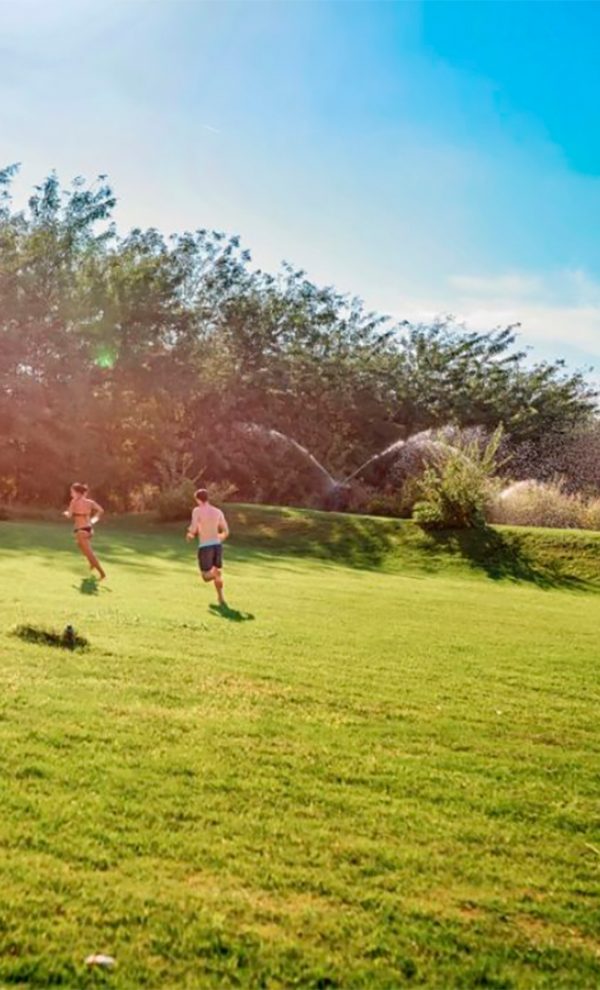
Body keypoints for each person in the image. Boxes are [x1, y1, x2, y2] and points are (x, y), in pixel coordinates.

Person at [186, 488, 229, 606]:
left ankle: (216, 574)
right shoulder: (218, 511)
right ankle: (221, 598)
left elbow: (194, 528)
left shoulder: (197, 511)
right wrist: (218, 538)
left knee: (206, 576)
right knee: (216, 572)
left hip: (205, 546)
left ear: (198, 500)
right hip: (217, 546)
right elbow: (226, 531)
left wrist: (190, 534)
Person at [64, 482, 106, 580]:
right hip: (88, 528)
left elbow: (69, 515)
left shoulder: (74, 501)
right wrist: (94, 520)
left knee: (89, 553)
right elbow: (101, 510)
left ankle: (102, 573)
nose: (71, 494)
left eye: (72, 492)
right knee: (79, 545)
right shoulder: (89, 502)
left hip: (81, 530)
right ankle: (92, 564)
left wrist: (66, 513)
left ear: (77, 493)